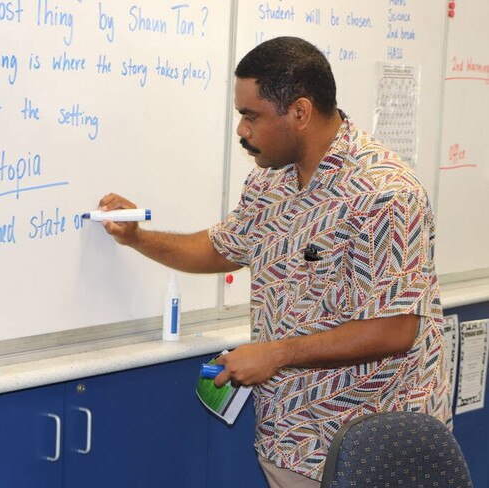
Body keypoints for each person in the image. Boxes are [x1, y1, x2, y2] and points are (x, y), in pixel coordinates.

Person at [97, 36, 451, 487]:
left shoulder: (385, 194)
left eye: (251, 116)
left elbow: (397, 327)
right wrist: (138, 238)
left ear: (299, 113)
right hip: (290, 441)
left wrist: (277, 353)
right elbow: (223, 247)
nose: (242, 131)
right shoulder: (270, 182)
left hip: (370, 451)